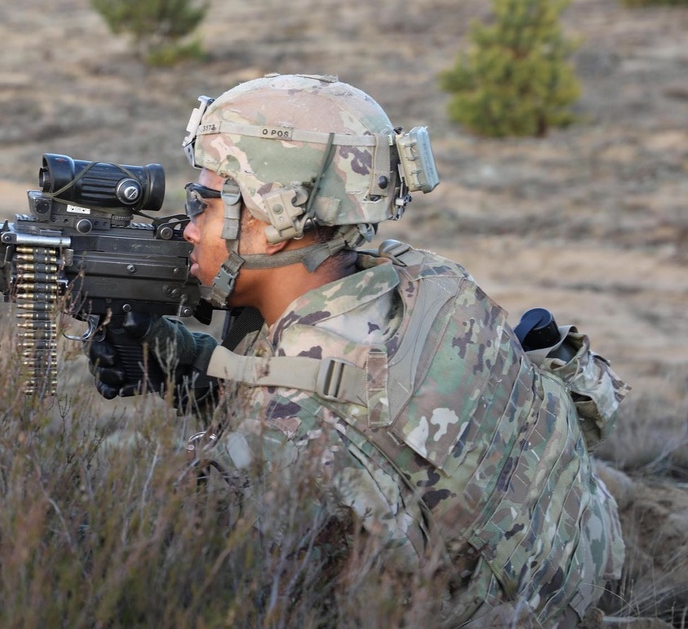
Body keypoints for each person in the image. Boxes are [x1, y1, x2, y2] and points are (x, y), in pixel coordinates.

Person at [86, 74, 629, 627]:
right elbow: (353, 397)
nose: (188, 229)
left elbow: (317, 432)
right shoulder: (431, 281)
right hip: (591, 567)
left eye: (202, 204)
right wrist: (197, 367)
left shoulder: (279, 446)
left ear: (277, 219)